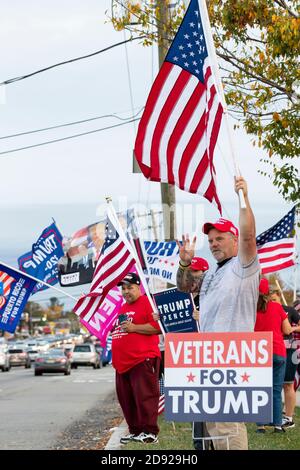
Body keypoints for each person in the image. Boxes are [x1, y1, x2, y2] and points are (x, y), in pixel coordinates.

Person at [176, 176, 259, 450]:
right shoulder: (212, 272)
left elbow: (249, 234)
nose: (213, 243)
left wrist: (243, 198)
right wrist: (185, 263)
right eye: (210, 240)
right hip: (210, 355)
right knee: (214, 424)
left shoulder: (243, 266)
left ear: (235, 241)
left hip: (232, 355)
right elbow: (184, 285)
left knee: (228, 423)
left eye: (219, 238)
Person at [112, 272, 161, 444]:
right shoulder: (123, 307)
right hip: (122, 363)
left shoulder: (148, 302)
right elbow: (123, 330)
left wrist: (134, 328)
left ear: (138, 287)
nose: (126, 292)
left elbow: (158, 327)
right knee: (127, 399)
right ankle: (135, 430)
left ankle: (150, 432)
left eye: (130, 288)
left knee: (145, 396)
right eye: (123, 289)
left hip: (142, 358)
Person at [254, 278, 296, 433]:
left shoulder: (251, 309)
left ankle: (261, 425)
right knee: (276, 389)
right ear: (268, 292)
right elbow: (286, 330)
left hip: (259, 352)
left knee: (260, 389)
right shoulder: (277, 307)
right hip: (278, 351)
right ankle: (278, 425)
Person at [269, 289, 300, 429]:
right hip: (270, 349)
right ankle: (270, 417)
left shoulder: (290, 310)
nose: (272, 302)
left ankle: (288, 417)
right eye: (269, 300)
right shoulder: (263, 309)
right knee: (270, 385)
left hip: (288, 350)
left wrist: (292, 329)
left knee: (288, 384)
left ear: (280, 298)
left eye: (274, 300)